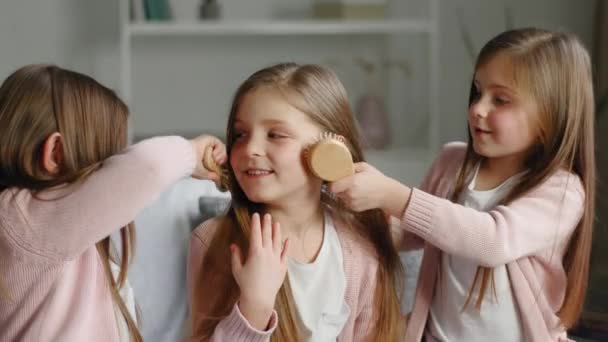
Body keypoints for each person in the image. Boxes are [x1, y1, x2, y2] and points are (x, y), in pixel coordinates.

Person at [330, 28, 596, 341]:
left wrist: (394, 195)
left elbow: (493, 241)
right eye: (477, 92)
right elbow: (410, 233)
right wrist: (355, 210)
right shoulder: (452, 161)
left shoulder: (561, 190)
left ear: (550, 117)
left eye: (500, 99)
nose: (478, 109)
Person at [0, 64, 226, 341]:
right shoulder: (24, 219)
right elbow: (149, 167)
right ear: (56, 154)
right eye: (108, 163)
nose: (115, 176)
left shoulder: (61, 239)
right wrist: (192, 151)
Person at [187, 63, 406, 341]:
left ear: (330, 149)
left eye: (275, 135)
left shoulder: (360, 247)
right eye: (240, 135)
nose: (250, 149)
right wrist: (254, 306)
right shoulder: (212, 242)